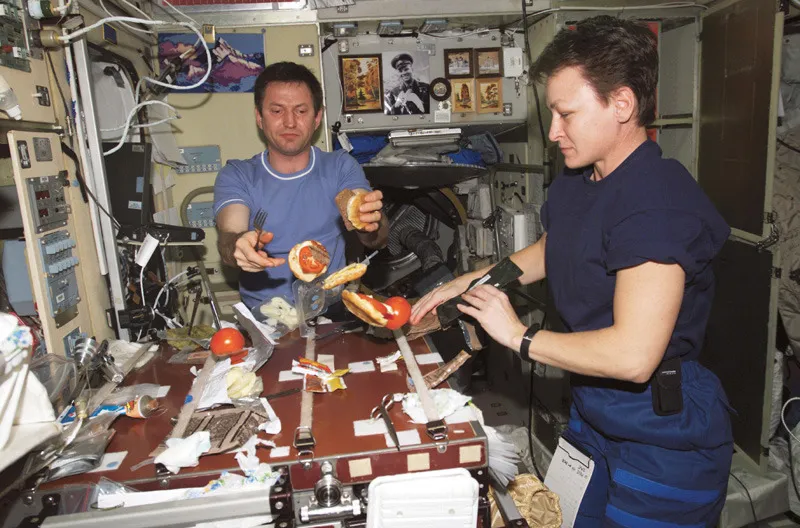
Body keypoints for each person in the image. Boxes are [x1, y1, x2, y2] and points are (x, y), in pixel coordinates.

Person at [410, 16, 733, 526]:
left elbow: (633, 356)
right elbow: (549, 250)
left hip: (662, 429)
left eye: (566, 114)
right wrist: (468, 283)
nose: (553, 132)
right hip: (594, 408)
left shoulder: (656, 201)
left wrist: (518, 336)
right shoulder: (581, 180)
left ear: (622, 104)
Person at [213, 62, 389, 308]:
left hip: (329, 309)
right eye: (277, 111)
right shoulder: (237, 175)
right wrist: (238, 245)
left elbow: (374, 233)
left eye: (301, 111)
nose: (290, 122)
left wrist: (368, 221)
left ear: (317, 118)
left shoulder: (340, 166)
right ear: (259, 117)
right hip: (264, 314)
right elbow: (230, 234)